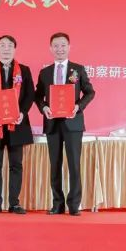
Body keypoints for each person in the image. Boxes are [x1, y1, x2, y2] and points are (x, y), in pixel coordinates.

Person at [35, 32, 95, 216]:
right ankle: (57, 204)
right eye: (56, 46)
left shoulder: (78, 69)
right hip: (52, 124)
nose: (59, 49)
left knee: (74, 165)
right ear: (50, 48)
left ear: (69, 47)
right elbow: (38, 96)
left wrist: (78, 106)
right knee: (55, 165)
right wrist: (44, 107)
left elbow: (90, 92)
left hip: (73, 124)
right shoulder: (45, 72)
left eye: (63, 45)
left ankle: (74, 204)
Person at [0, 35, 35, 214]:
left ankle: (14, 203)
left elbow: (30, 95)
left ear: (15, 49)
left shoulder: (24, 70)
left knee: (16, 165)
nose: (6, 49)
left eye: (9, 46)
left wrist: (22, 113)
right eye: (2, 45)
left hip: (17, 124)